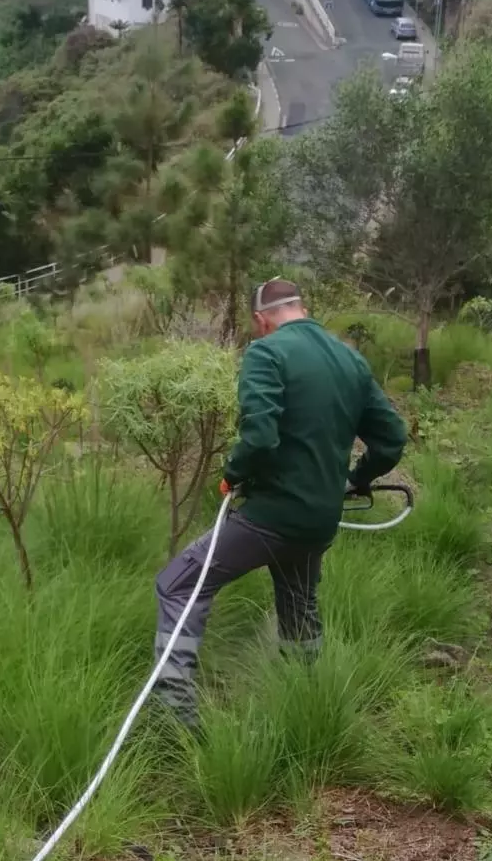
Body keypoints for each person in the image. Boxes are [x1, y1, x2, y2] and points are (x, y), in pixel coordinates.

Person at [152, 277, 408, 728]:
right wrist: (354, 480)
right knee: (298, 605)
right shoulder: (350, 360)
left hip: (271, 517)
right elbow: (391, 441)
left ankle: (174, 717)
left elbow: (260, 435)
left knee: (178, 585)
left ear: (261, 320)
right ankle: (305, 706)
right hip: (319, 522)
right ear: (301, 309)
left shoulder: (266, 353)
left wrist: (233, 474)